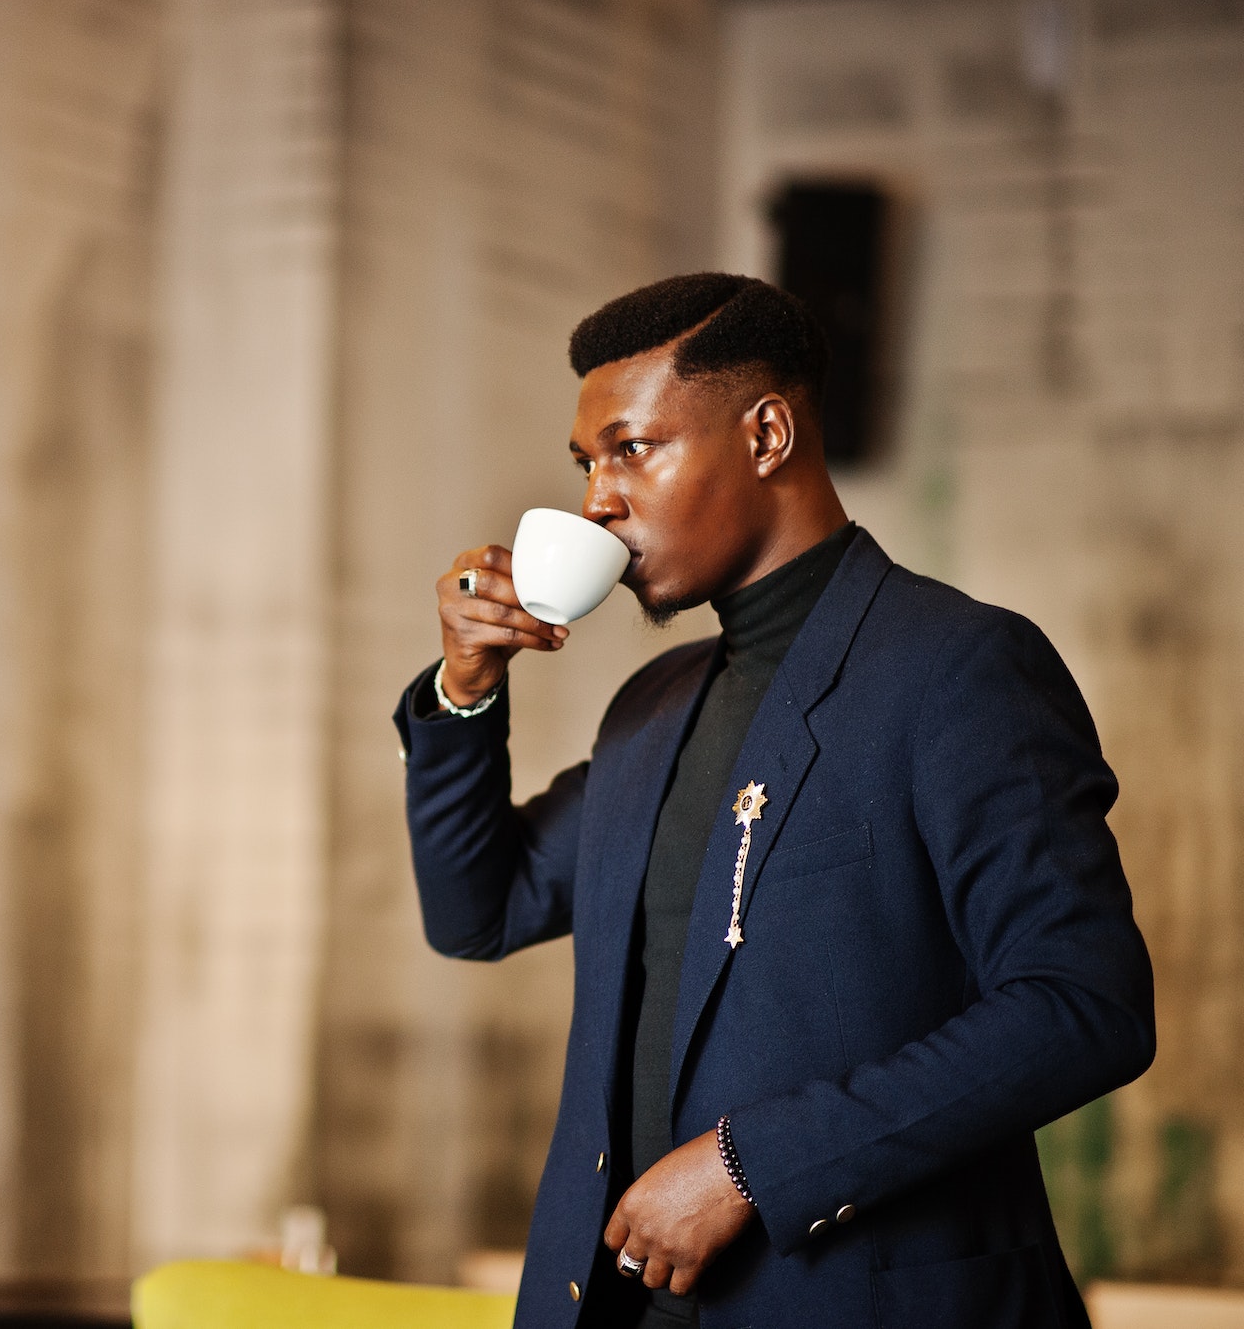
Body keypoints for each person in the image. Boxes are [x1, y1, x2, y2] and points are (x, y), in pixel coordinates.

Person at [394, 273, 1154, 1329]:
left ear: (763, 435)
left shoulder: (954, 668)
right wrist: (462, 693)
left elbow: (1083, 1006)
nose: (595, 500)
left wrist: (748, 1166)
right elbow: (478, 909)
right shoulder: (648, 706)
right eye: (585, 463)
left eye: (630, 448)